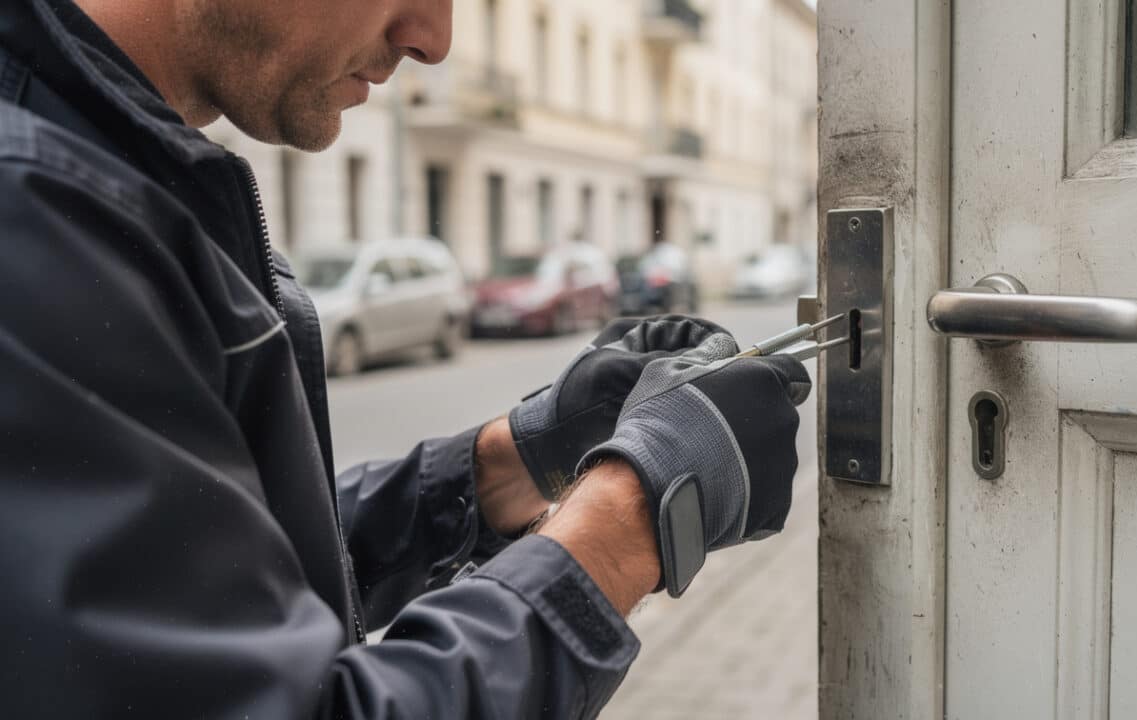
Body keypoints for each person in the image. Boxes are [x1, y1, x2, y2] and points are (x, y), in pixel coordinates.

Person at [0, 0, 811, 717]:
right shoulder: (32, 215)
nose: (434, 39)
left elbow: (219, 572)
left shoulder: (106, 171)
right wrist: (636, 510)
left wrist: (512, 457)